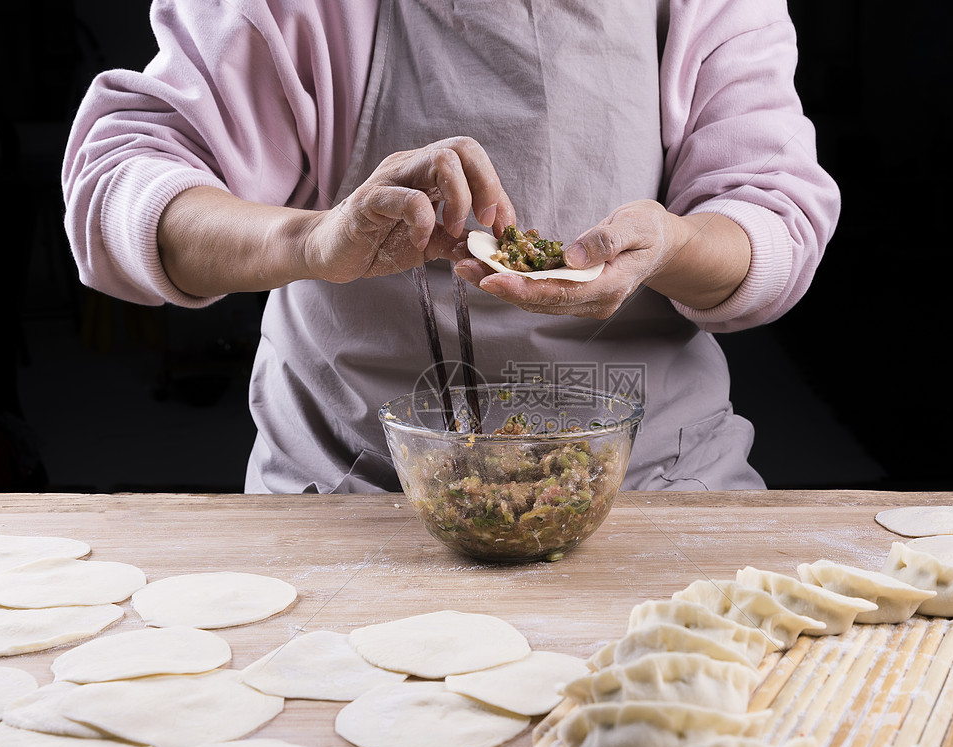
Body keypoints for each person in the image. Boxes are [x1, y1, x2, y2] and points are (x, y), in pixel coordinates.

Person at [62, 0, 840, 494]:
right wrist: (311, 237)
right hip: (358, 496)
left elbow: (775, 219)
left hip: (657, 489)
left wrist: (670, 246)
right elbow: (116, 188)